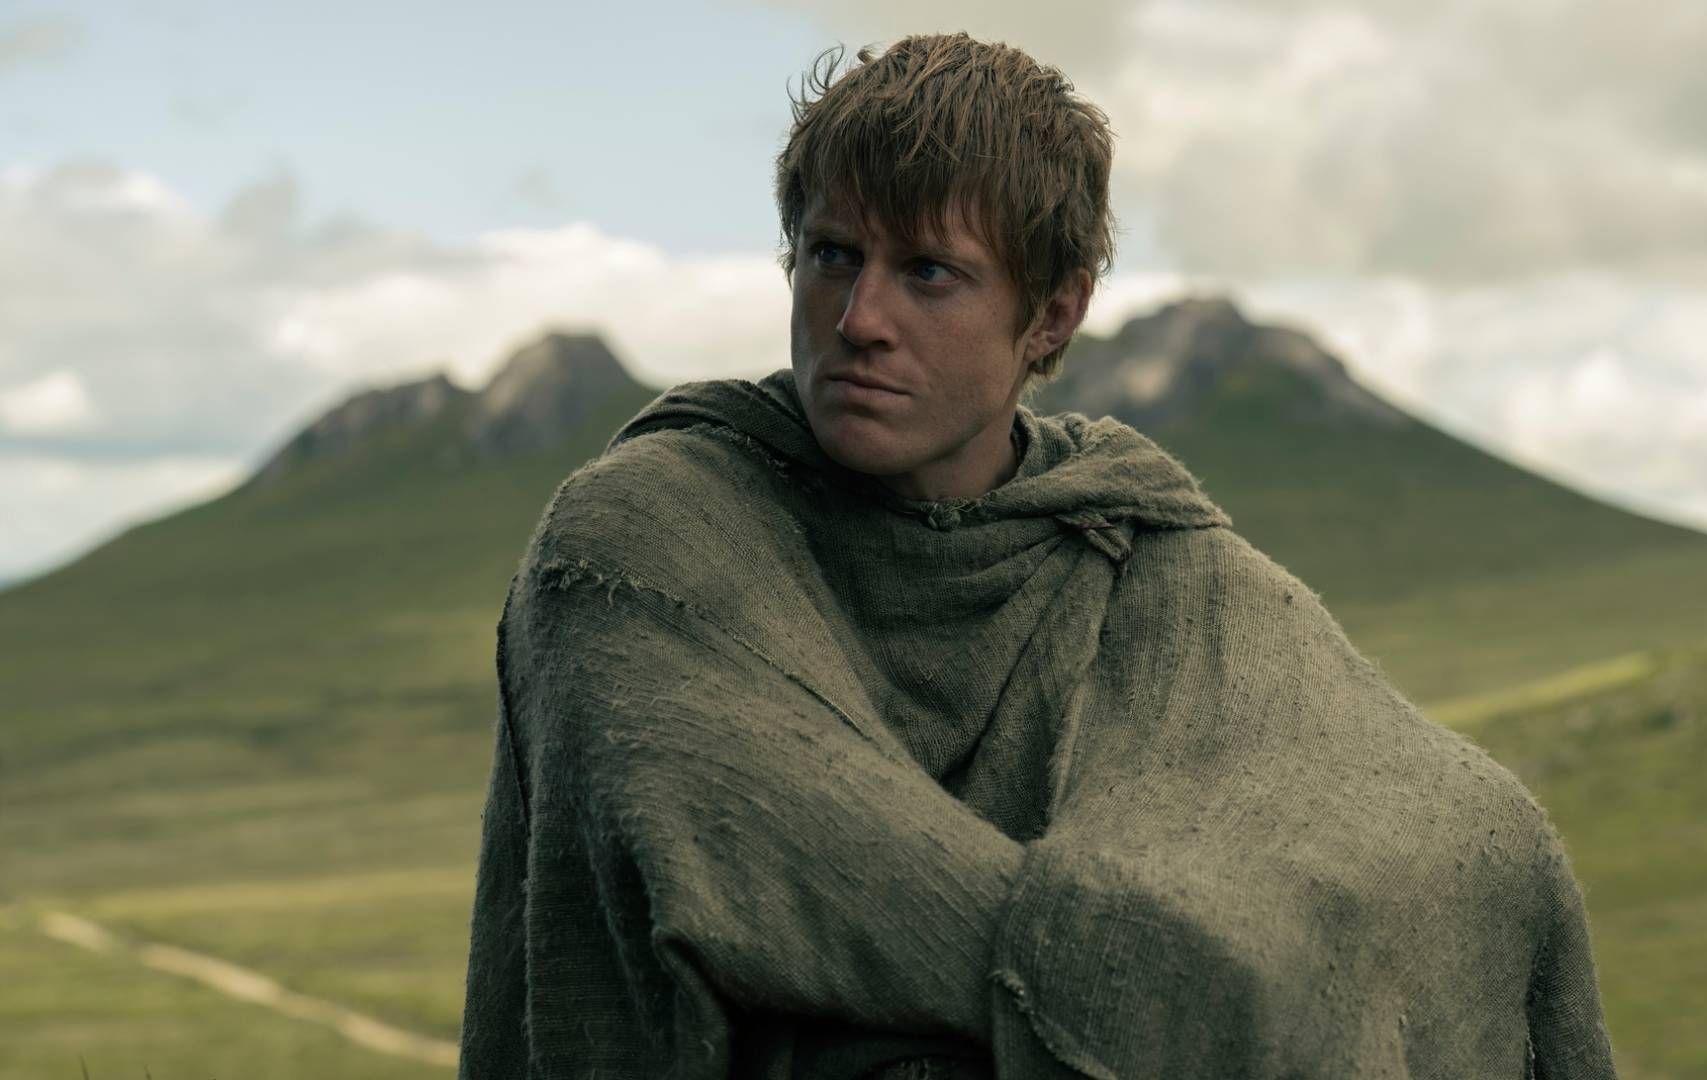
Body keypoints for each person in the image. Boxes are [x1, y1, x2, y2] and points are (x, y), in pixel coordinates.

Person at [459, 31, 1618, 1080]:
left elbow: (1475, 835)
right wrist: (1171, 974)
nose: (861, 318)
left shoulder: (1136, 546)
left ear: (1053, 316)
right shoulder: (644, 542)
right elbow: (788, 878)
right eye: (831, 255)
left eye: (929, 272)